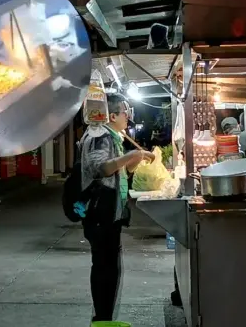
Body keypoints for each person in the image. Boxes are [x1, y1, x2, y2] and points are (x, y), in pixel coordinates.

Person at [80, 93, 155, 322]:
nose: (128, 118)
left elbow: (118, 172)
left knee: (109, 267)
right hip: (100, 212)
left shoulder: (112, 136)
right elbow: (99, 168)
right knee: (105, 267)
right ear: (112, 115)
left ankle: (105, 319)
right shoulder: (99, 135)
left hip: (109, 213)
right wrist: (132, 154)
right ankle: (102, 320)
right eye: (125, 112)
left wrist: (135, 158)